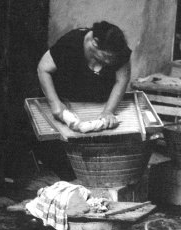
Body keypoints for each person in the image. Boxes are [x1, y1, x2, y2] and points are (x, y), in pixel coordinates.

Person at [35, 21, 132, 180]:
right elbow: (43, 69)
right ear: (94, 43)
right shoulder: (71, 43)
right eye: (107, 57)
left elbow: (121, 80)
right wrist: (55, 104)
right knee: (63, 158)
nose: (110, 62)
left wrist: (108, 111)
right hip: (67, 101)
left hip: (96, 103)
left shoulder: (118, 51)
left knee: (97, 153)